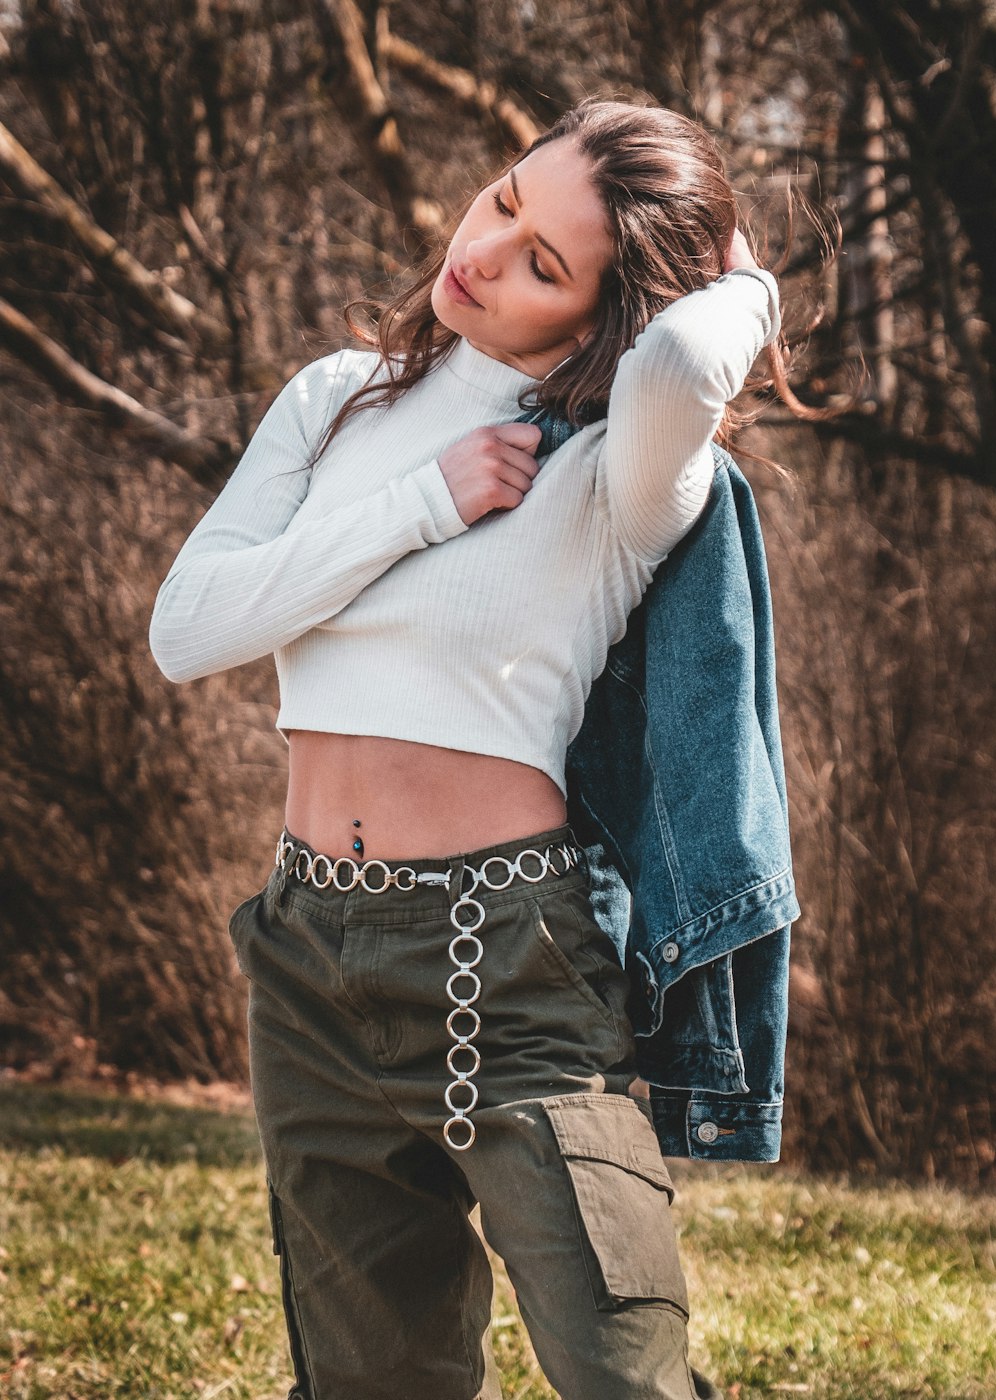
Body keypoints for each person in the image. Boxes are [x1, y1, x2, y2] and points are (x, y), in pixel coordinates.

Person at [150, 97, 785, 1400]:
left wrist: (746, 276)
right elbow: (191, 628)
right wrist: (419, 504)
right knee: (373, 1382)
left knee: (625, 1373)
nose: (484, 251)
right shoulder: (337, 400)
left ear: (605, 318)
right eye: (505, 196)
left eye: (546, 263)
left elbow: (677, 370)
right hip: (309, 955)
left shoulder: (617, 469)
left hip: (508, 961)